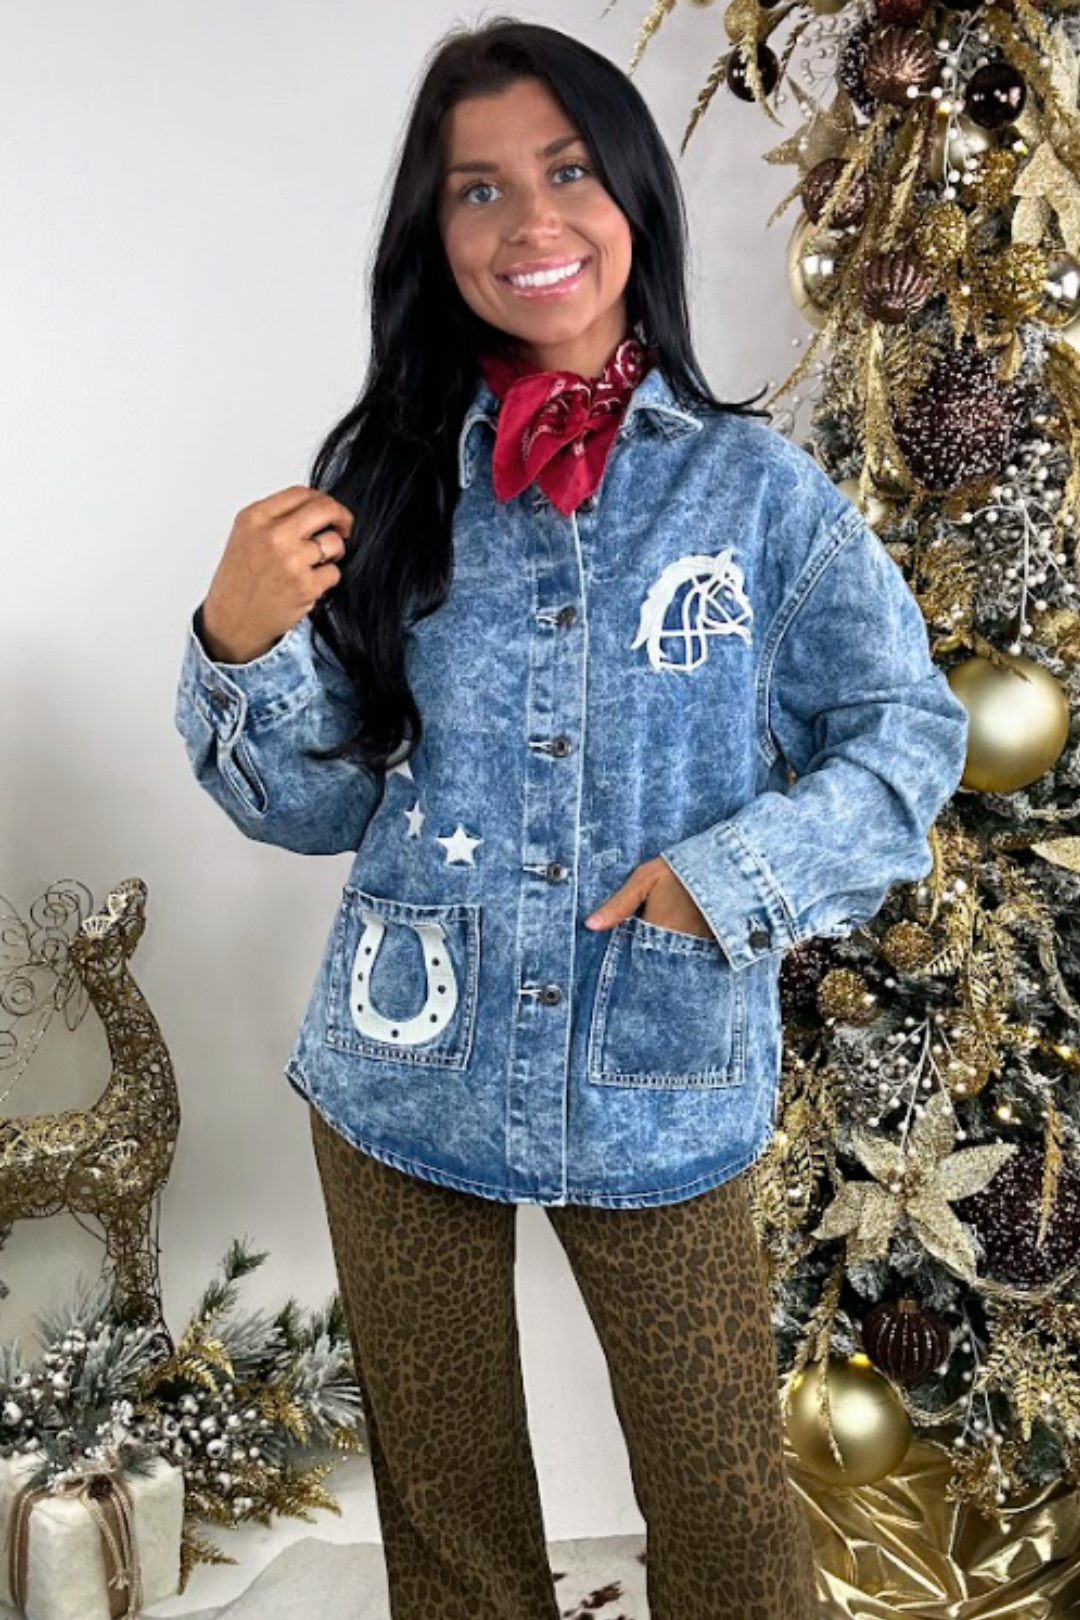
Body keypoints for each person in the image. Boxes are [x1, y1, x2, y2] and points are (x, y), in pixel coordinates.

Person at [174, 17, 970, 1620]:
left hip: (657, 1075)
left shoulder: (755, 497)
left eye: (566, 169)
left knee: (729, 1532)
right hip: (405, 1068)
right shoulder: (388, 478)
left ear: (633, 199)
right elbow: (322, 803)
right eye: (476, 189)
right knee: (454, 1535)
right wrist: (236, 645)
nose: (528, 221)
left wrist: (724, 876)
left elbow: (906, 738)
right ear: (433, 232)